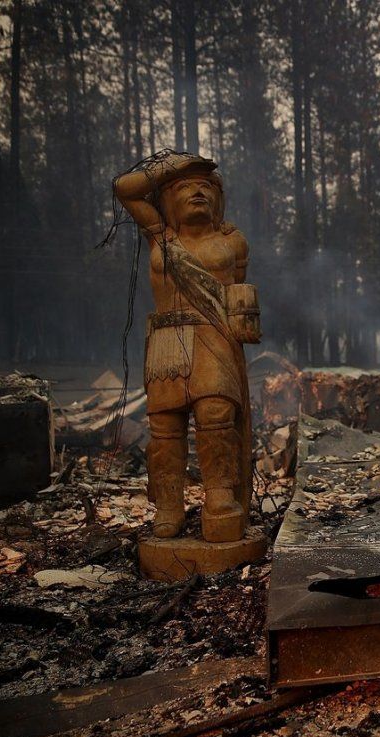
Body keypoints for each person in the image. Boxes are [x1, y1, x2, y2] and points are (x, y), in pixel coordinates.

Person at [113, 152, 253, 542]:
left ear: (218, 199)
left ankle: (221, 498)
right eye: (185, 187)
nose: (197, 192)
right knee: (164, 428)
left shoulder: (232, 241)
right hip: (167, 340)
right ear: (167, 199)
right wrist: (172, 166)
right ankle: (169, 506)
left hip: (214, 336)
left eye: (206, 186)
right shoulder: (161, 234)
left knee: (215, 414)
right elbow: (124, 189)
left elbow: (238, 292)